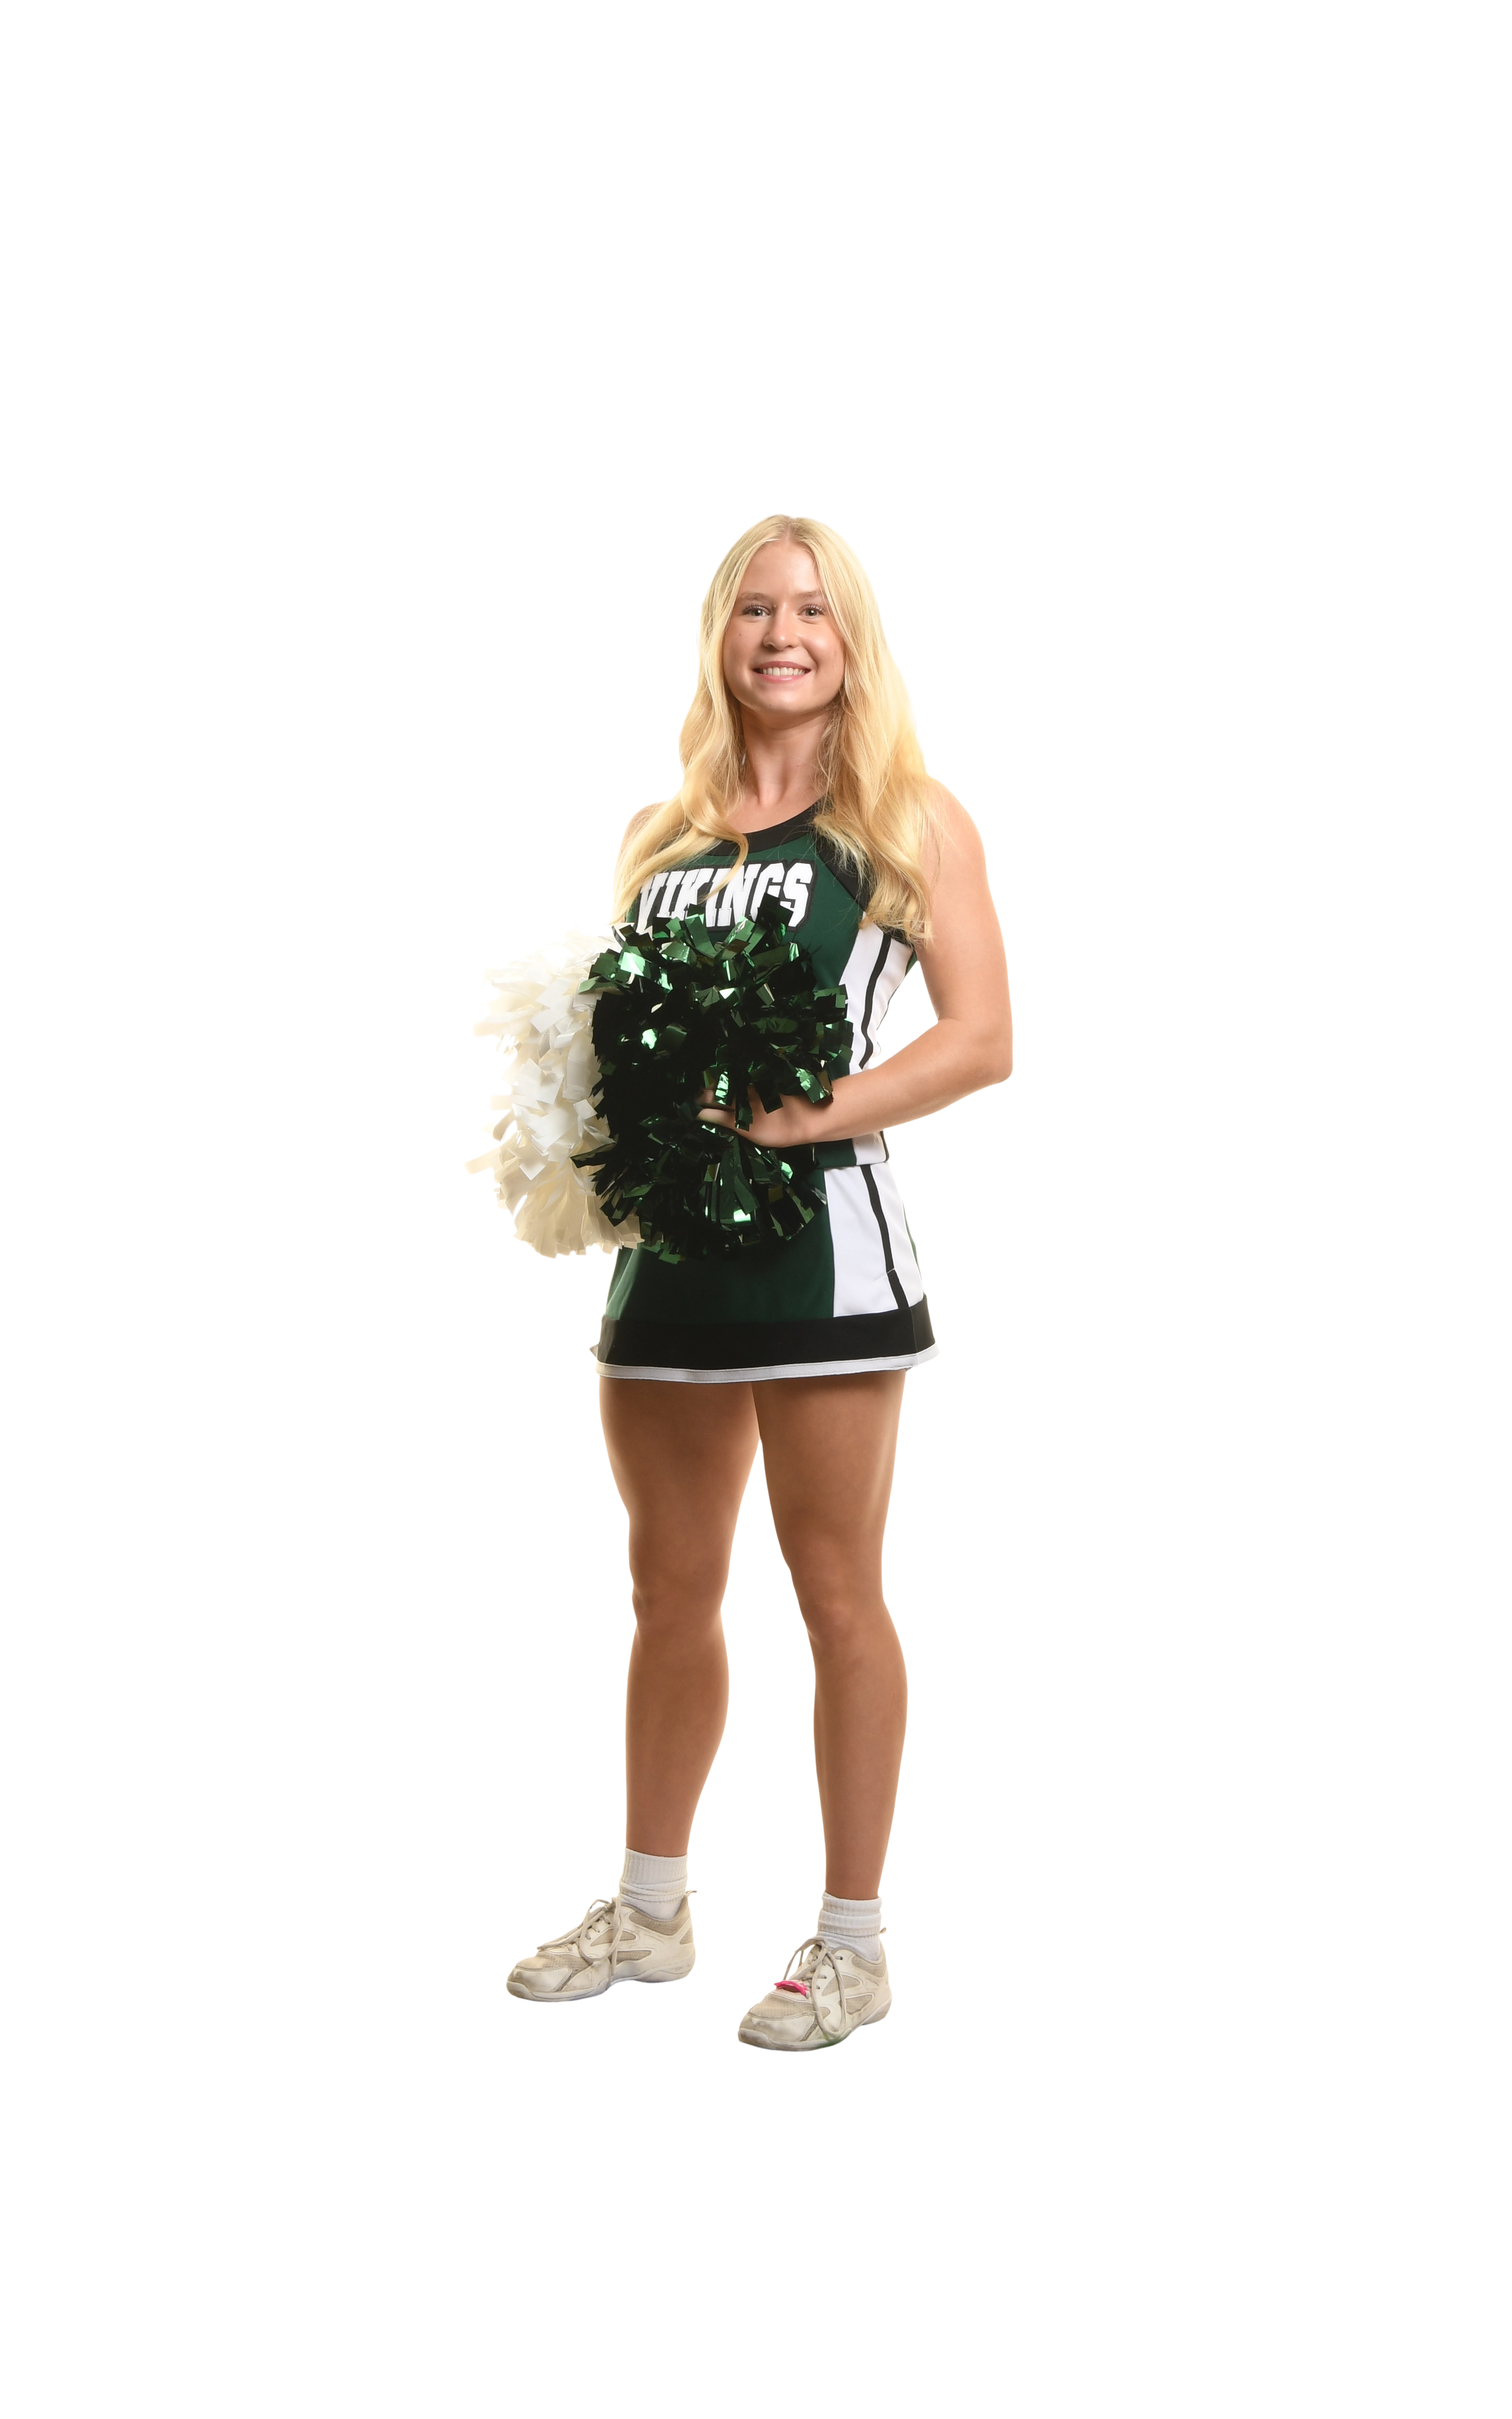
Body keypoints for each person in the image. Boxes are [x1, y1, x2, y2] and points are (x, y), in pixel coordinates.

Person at [505, 512, 1013, 2048]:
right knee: (668, 1587)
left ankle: (853, 1943)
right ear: (714, 637)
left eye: (812, 610)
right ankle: (653, 1913)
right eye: (751, 610)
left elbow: (981, 1037)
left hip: (825, 1258)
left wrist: (811, 1114)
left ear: (855, 638)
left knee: (836, 1591)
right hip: (667, 1266)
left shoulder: (908, 820)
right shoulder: (660, 836)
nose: (781, 636)